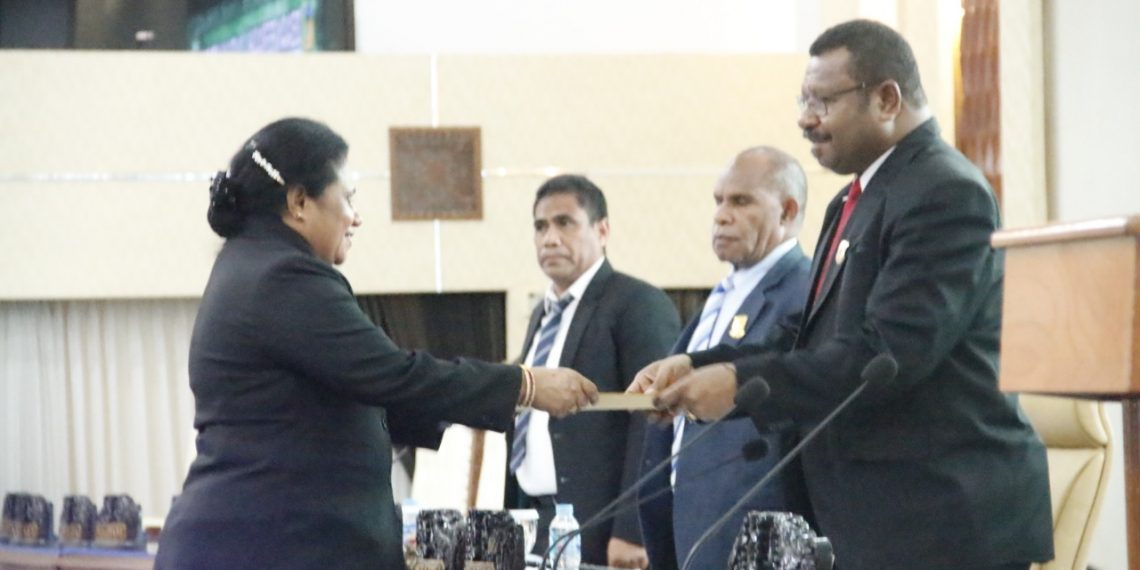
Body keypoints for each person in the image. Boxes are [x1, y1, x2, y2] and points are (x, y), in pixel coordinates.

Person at [629, 20, 1054, 570]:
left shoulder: (946, 192)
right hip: (873, 524)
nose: (806, 119)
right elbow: (806, 340)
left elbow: (886, 356)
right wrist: (700, 365)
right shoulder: (854, 199)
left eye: (823, 101)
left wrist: (738, 385)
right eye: (803, 100)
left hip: (940, 523)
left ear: (886, 99)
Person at [155, 118, 597, 569]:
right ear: (299, 202)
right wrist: (524, 385)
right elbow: (393, 374)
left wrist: (481, 404)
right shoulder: (284, 276)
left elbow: (358, 392)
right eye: (347, 198)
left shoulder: (252, 263)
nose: (356, 217)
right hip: (271, 546)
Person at [637, 146, 813, 570]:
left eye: (741, 201)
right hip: (689, 524)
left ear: (787, 211)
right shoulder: (723, 296)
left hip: (752, 534)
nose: (721, 215)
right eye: (718, 201)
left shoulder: (805, 293)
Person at [504, 174, 680, 568]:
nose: (550, 238)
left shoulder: (637, 302)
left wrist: (633, 529)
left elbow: (653, 420)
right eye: (540, 226)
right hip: (536, 518)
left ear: (602, 231)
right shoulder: (543, 314)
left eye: (564, 223)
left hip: (603, 526)